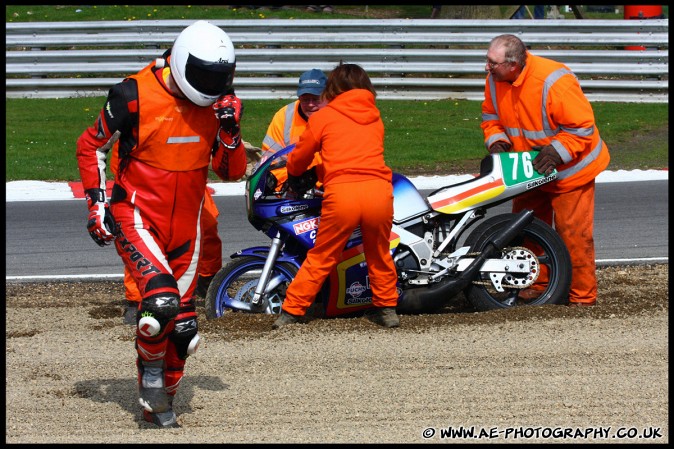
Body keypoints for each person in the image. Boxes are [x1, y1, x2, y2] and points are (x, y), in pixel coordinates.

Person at [75, 20, 247, 427]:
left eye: (221, 77)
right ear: (183, 59)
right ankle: (149, 370)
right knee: (160, 303)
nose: (213, 85)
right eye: (206, 75)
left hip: (188, 224)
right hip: (136, 214)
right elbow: (90, 145)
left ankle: (160, 402)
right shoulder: (132, 94)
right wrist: (96, 204)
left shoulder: (223, 102)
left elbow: (230, 171)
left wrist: (230, 132)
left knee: (185, 330)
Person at [480, 34, 610, 307]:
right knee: (527, 231)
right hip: (529, 171)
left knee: (574, 236)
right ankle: (538, 286)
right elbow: (490, 117)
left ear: (513, 65)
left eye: (492, 63)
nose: (486, 68)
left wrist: (555, 152)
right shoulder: (495, 79)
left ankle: (582, 298)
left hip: (571, 173)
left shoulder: (554, 81)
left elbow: (582, 128)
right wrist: (498, 142)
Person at [272, 63, 400, 329]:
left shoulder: (324, 117)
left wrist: (296, 173)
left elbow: (300, 157)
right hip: (378, 191)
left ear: (334, 87)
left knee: (322, 256)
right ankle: (387, 309)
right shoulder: (374, 115)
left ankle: (291, 311)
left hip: (343, 193)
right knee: (378, 253)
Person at [261, 68, 328, 187]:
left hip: (331, 186)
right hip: (296, 190)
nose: (311, 104)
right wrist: (288, 183)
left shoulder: (339, 116)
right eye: (306, 99)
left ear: (328, 97)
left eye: (316, 99)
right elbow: (270, 160)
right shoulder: (284, 116)